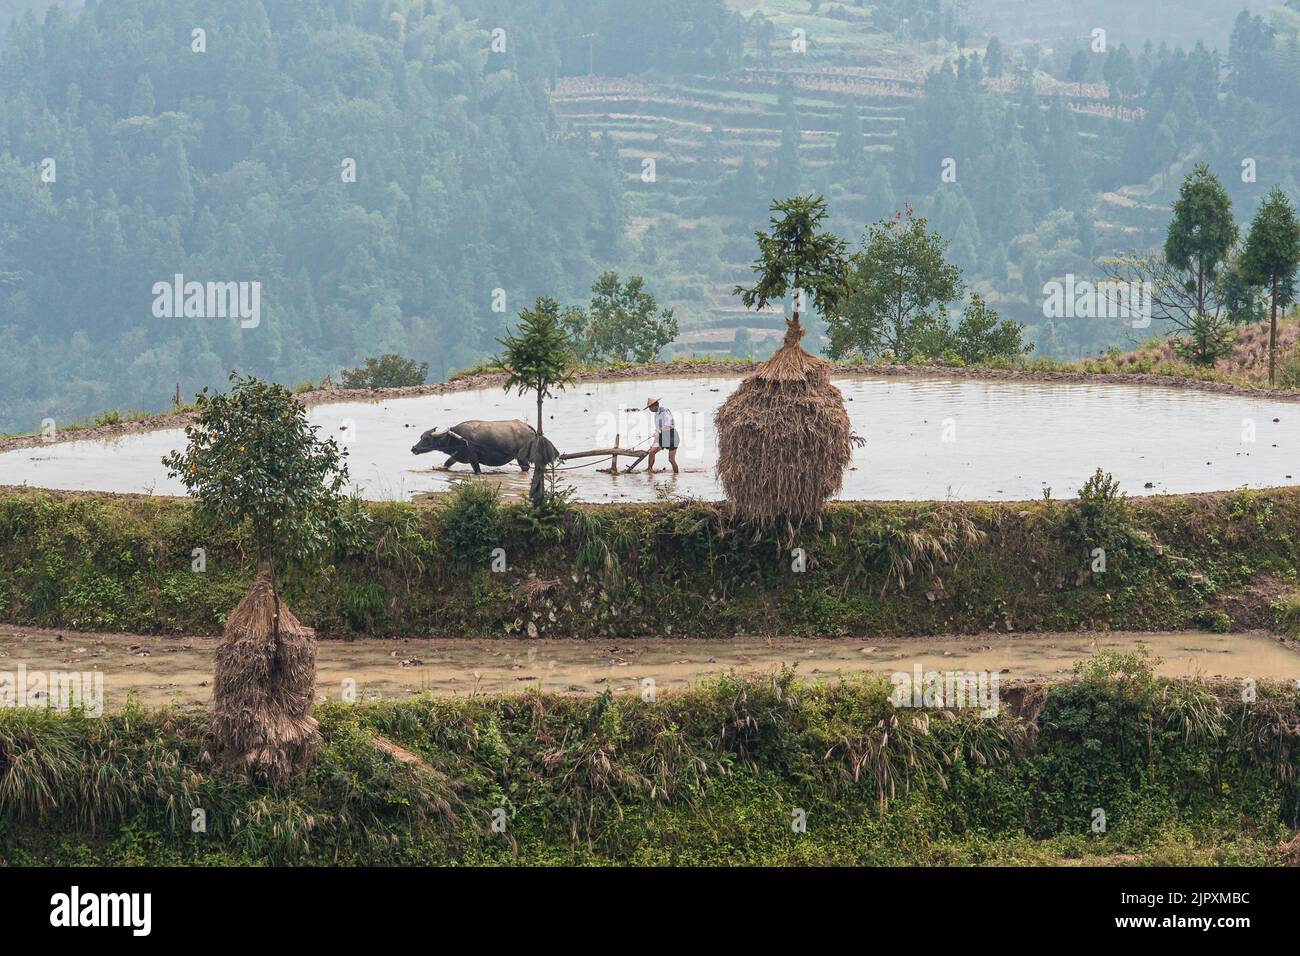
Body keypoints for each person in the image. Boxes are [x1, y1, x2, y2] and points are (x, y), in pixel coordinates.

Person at [644, 397, 679, 474]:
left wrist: (659, 431)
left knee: (671, 459)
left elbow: (669, 424)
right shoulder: (656, 414)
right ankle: (649, 470)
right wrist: (653, 444)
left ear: (654, 406)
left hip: (671, 436)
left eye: (650, 407)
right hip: (662, 436)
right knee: (651, 452)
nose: (649, 409)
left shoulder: (665, 411)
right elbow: (658, 430)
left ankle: (676, 476)